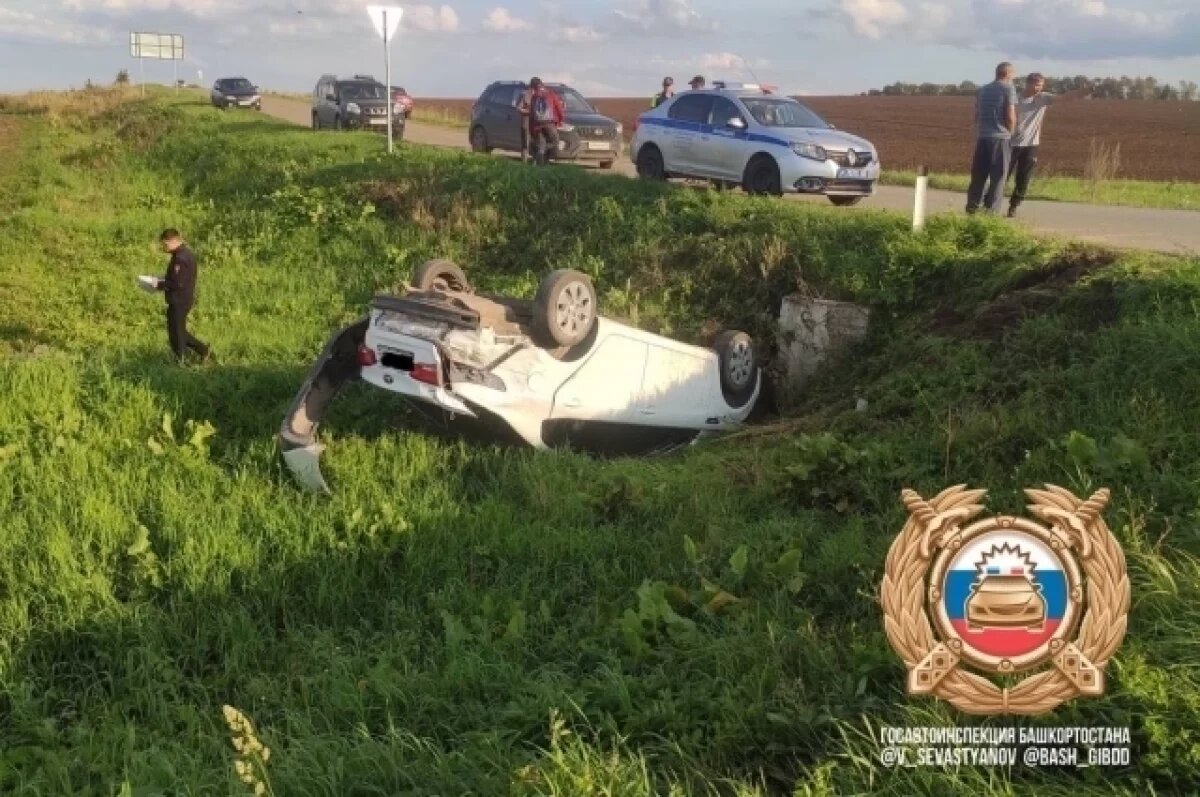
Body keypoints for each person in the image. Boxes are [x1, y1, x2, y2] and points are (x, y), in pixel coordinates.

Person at [1006, 73, 1091, 218]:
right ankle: (989, 202)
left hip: (1031, 144)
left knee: (1024, 178)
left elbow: (1063, 98)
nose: (1039, 88)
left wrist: (1081, 92)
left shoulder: (1042, 98)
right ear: (1028, 84)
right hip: (1011, 144)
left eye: (1041, 85)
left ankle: (1014, 206)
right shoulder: (1015, 99)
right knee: (1003, 175)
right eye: (1037, 84)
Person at [965, 62, 1017, 215]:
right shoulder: (1008, 88)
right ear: (1007, 74)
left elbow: (977, 115)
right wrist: (1011, 132)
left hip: (982, 137)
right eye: (1013, 75)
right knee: (998, 178)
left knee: (978, 176)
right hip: (1000, 138)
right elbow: (1010, 116)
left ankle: (972, 209)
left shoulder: (982, 90)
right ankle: (991, 213)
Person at [156, 228, 211, 364]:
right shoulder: (182, 254)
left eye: (165, 244)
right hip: (180, 299)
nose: (164, 247)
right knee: (176, 331)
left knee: (177, 333)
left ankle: (182, 360)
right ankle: (204, 351)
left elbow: (177, 283)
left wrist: (158, 284)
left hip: (179, 300)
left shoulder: (181, 258)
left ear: (174, 241)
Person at [527, 77, 565, 166]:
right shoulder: (550, 94)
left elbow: (532, 114)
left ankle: (541, 160)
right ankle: (541, 155)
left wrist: (531, 129)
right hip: (549, 124)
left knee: (541, 145)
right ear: (541, 84)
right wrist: (561, 120)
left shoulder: (534, 97)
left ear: (533, 86)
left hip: (537, 125)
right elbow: (559, 108)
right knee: (555, 142)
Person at [516, 80, 535, 163]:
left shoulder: (539, 95)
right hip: (526, 122)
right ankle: (524, 162)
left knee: (535, 143)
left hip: (536, 123)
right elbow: (519, 108)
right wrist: (529, 111)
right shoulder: (524, 94)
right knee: (525, 143)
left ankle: (535, 162)